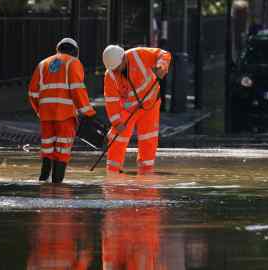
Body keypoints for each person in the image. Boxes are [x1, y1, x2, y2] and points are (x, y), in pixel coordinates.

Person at [28, 37, 96, 183]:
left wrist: (40, 111)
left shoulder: (42, 64)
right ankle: (57, 186)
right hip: (65, 115)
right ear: (75, 51)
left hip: (46, 116)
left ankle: (43, 182)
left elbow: (32, 93)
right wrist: (88, 113)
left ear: (58, 49)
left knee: (47, 149)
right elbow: (77, 90)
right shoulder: (73, 62)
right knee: (62, 150)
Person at [102, 45, 171, 175]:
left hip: (150, 104)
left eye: (118, 67)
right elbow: (111, 100)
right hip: (128, 109)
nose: (116, 70)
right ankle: (113, 171)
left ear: (123, 58)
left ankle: (146, 171)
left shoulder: (139, 55)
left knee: (148, 138)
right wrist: (116, 122)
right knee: (117, 136)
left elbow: (163, 54)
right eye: (113, 69)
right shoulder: (110, 74)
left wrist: (161, 66)